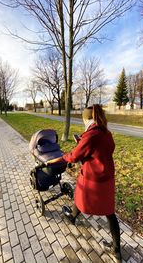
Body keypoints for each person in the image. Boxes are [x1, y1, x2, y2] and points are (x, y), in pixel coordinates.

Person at [46, 104, 122, 262]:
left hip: (92, 178)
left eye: (83, 120)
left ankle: (72, 217)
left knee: (80, 196)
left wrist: (58, 159)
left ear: (88, 119)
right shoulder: (106, 132)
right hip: (107, 178)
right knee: (110, 213)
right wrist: (85, 146)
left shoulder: (91, 135)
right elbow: (105, 149)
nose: (83, 123)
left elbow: (74, 156)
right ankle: (116, 250)